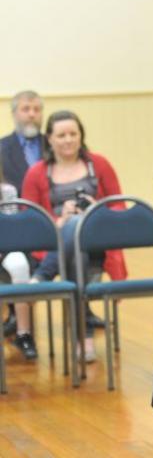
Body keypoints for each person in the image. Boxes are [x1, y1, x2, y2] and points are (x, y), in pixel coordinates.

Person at [20, 110, 126, 363]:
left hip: (97, 243)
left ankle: (40, 278)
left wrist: (95, 210)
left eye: (73, 134)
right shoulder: (36, 173)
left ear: (81, 135)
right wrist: (59, 221)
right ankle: (83, 336)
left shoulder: (99, 165)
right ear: (50, 138)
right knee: (74, 245)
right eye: (61, 135)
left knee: (79, 232)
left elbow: (119, 210)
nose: (68, 140)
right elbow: (29, 222)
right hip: (53, 245)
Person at [1, 91, 45, 339]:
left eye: (36, 109)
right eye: (26, 109)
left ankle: (84, 310)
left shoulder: (54, 143)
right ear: (14, 113)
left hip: (47, 222)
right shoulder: (2, 147)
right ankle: (17, 317)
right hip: (14, 225)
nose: (31, 114)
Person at [1, 163, 35, 359]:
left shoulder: (7, 191)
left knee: (20, 263)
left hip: (5, 247)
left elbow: (11, 228)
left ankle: (23, 334)